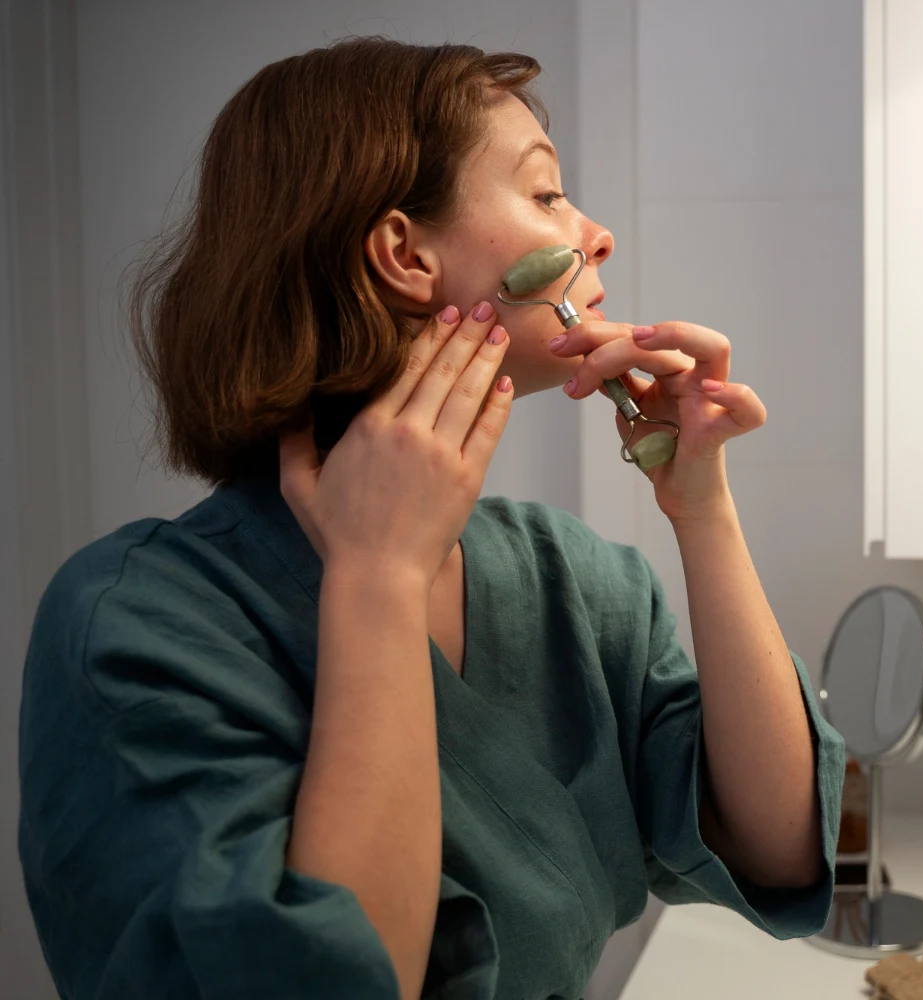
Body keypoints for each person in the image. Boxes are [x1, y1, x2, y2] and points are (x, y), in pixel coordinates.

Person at [18, 38, 844, 1000]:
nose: (598, 235)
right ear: (406, 255)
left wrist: (702, 508)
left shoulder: (570, 577)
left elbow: (779, 846)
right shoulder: (132, 624)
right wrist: (376, 581)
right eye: (546, 195)